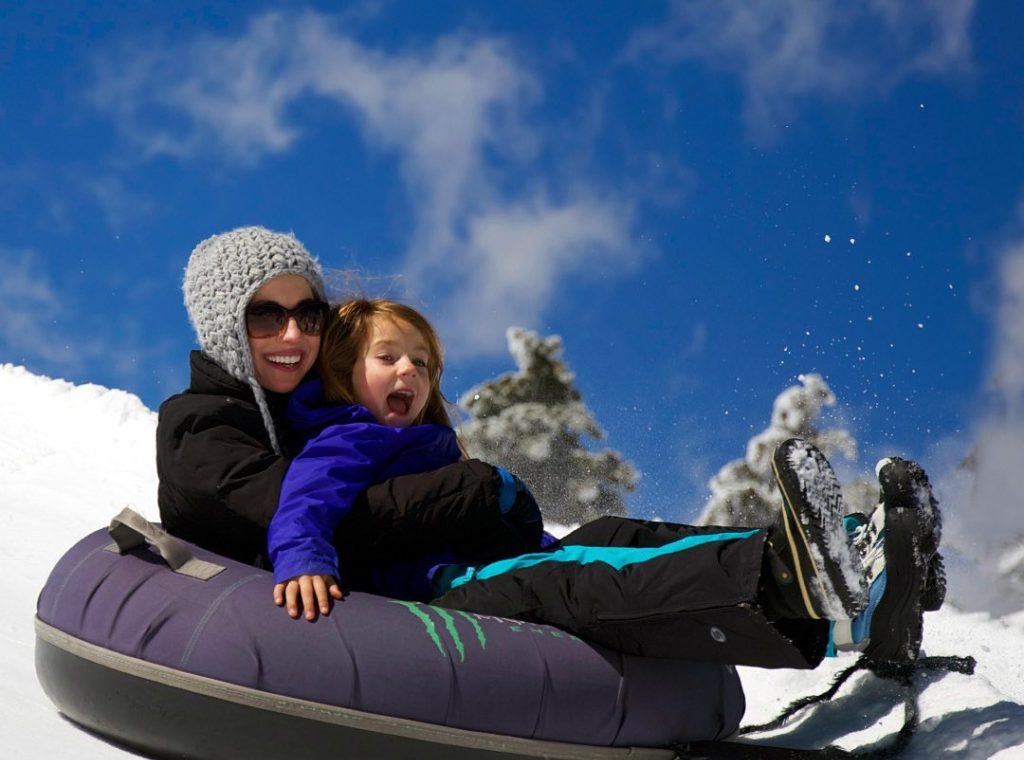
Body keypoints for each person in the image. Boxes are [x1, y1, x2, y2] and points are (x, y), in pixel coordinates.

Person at [267, 295, 945, 667]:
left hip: (484, 570)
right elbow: (305, 499)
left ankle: (859, 558)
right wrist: (300, 557)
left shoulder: (426, 443)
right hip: (434, 598)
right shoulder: (346, 437)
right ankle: (797, 579)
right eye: (389, 358)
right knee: (583, 575)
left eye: (422, 362)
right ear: (342, 371)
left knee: (615, 534)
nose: (410, 373)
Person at [157, 226, 543, 579]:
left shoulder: (319, 414)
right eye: (265, 317)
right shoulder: (199, 427)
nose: (292, 335)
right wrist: (479, 487)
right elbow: (328, 519)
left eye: (309, 316)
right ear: (226, 328)